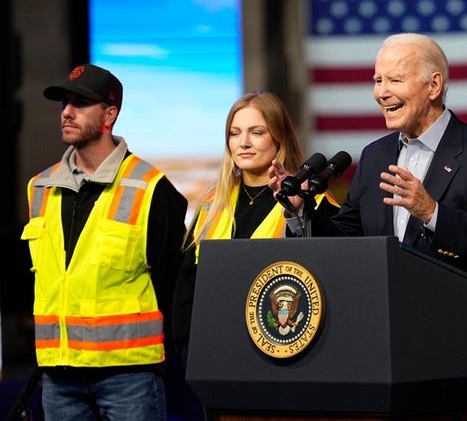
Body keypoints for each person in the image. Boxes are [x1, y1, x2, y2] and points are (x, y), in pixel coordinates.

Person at [272, 33, 467, 421]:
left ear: (434, 85)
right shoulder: (375, 157)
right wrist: (303, 212)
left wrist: (432, 212)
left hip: (456, 366)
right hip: (381, 364)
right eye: (377, 80)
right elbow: (348, 239)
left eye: (394, 80)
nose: (381, 92)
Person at [20, 64, 188, 421]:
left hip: (128, 376)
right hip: (58, 376)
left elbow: (172, 284)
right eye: (65, 101)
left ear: (109, 114)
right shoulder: (40, 187)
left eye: (80, 103)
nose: (66, 111)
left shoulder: (151, 188)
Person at [172, 91, 337, 363]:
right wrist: (192, 352)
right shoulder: (213, 204)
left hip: (286, 357)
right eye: (235, 133)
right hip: (217, 358)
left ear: (278, 137)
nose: (244, 143)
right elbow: (187, 287)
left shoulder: (315, 202)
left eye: (257, 132)